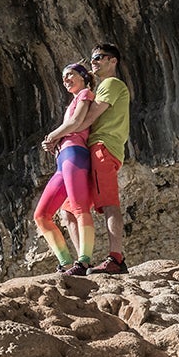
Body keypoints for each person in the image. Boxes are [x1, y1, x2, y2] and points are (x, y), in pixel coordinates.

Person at [68, 43, 131, 274]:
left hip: (103, 146)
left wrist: (59, 135)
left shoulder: (111, 84)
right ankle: (82, 261)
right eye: (93, 58)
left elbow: (88, 119)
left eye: (99, 57)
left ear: (113, 61)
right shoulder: (102, 87)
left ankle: (116, 259)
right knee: (71, 207)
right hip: (95, 148)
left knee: (109, 203)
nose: (93, 61)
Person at [33, 63, 97, 275]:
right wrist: (54, 142)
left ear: (83, 76)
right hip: (63, 159)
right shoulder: (74, 100)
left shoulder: (85, 94)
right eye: (63, 77)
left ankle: (84, 261)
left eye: (70, 75)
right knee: (41, 215)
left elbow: (77, 122)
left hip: (75, 154)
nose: (66, 80)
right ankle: (66, 263)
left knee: (79, 208)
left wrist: (53, 136)